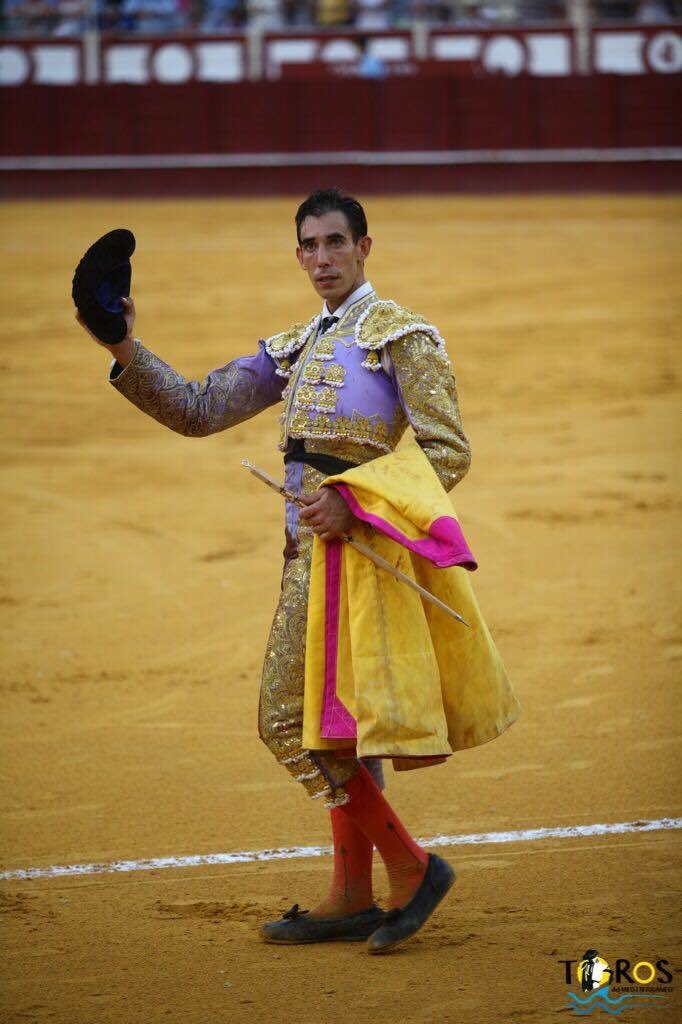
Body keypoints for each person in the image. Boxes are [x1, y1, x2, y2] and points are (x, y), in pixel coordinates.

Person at [76, 188, 516, 953]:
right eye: (308, 245)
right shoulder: (299, 344)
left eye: (334, 243)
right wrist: (120, 344)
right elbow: (197, 407)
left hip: (363, 559)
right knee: (331, 725)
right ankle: (351, 893)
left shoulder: (401, 336)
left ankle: (412, 870)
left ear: (364, 247)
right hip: (304, 558)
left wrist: (352, 501)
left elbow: (448, 451)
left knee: (289, 722)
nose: (321, 259)